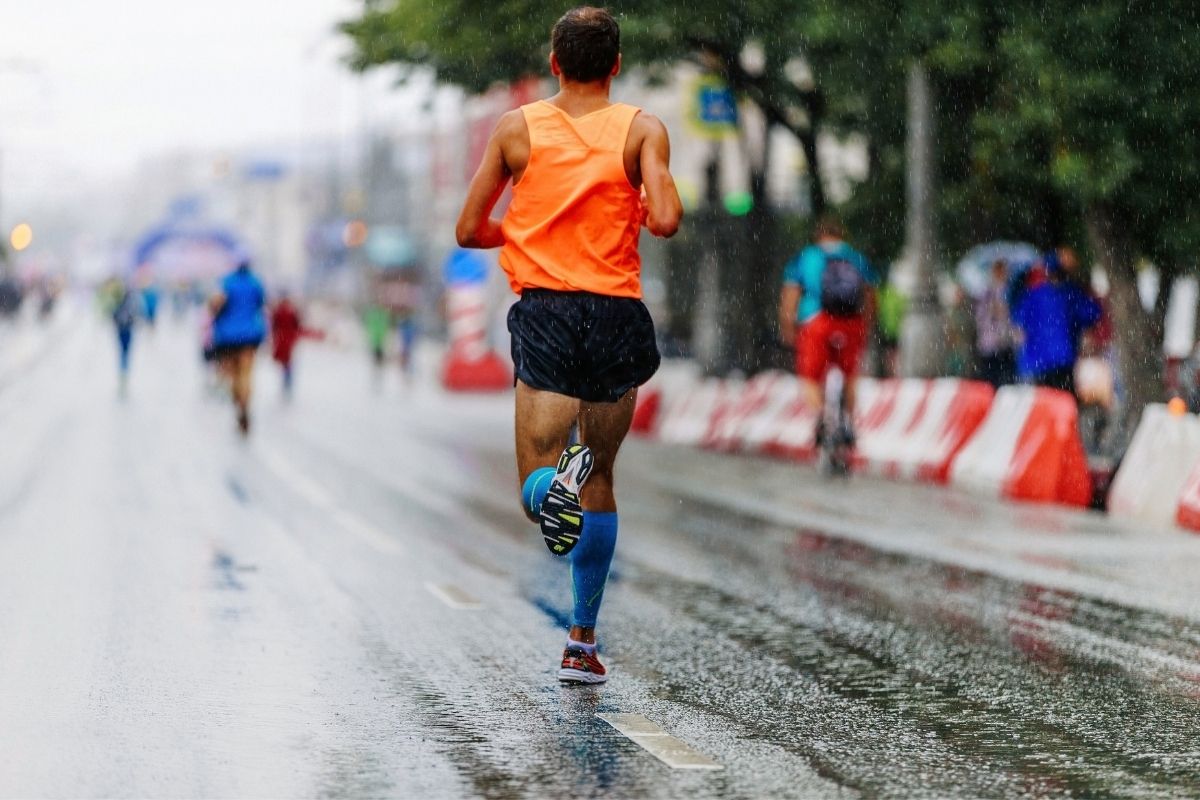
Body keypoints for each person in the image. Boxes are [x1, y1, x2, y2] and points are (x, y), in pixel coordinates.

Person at [455, 6, 682, 684]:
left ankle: (553, 485)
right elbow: (666, 219)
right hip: (616, 315)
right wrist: (635, 196)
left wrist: (527, 232)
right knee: (601, 477)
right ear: (615, 66)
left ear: (555, 63)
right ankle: (581, 644)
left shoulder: (517, 130)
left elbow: (470, 229)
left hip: (549, 311)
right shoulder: (643, 129)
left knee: (539, 483)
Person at [778, 216, 875, 444]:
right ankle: (848, 422)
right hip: (851, 322)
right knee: (850, 375)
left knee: (809, 377)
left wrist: (788, 327)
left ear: (819, 236)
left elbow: (790, 296)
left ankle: (821, 416)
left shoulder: (806, 257)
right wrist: (866, 325)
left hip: (816, 322)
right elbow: (870, 296)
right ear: (841, 235)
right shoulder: (855, 258)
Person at [1012, 249, 1101, 395]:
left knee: (1045, 407)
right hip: (1063, 361)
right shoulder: (1071, 293)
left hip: (1037, 364)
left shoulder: (1032, 296)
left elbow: (1018, 321)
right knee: (1065, 403)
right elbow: (1092, 313)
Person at [210, 258, 267, 435]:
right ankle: (244, 402)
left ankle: (238, 401)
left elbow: (215, 305)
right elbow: (261, 304)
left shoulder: (227, 282)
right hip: (250, 335)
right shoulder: (256, 282)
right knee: (246, 373)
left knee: (233, 374)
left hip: (228, 336)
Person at [974, 260, 1017, 387]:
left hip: (1006, 342)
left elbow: (1014, 316)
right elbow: (980, 317)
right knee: (992, 380)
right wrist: (992, 311)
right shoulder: (987, 292)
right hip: (990, 343)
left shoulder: (1010, 291)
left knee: (1007, 379)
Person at [269, 292, 305, 398]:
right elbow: (297, 325)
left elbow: (274, 326)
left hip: (281, 339)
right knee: (288, 362)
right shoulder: (292, 311)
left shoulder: (278, 311)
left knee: (285, 362)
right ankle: (287, 381)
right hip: (289, 340)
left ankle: (286, 382)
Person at [110, 281, 140, 394]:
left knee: (123, 352)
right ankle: (124, 370)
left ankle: (123, 370)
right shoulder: (129, 301)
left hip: (123, 329)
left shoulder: (119, 300)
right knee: (125, 352)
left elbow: (113, 314)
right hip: (126, 329)